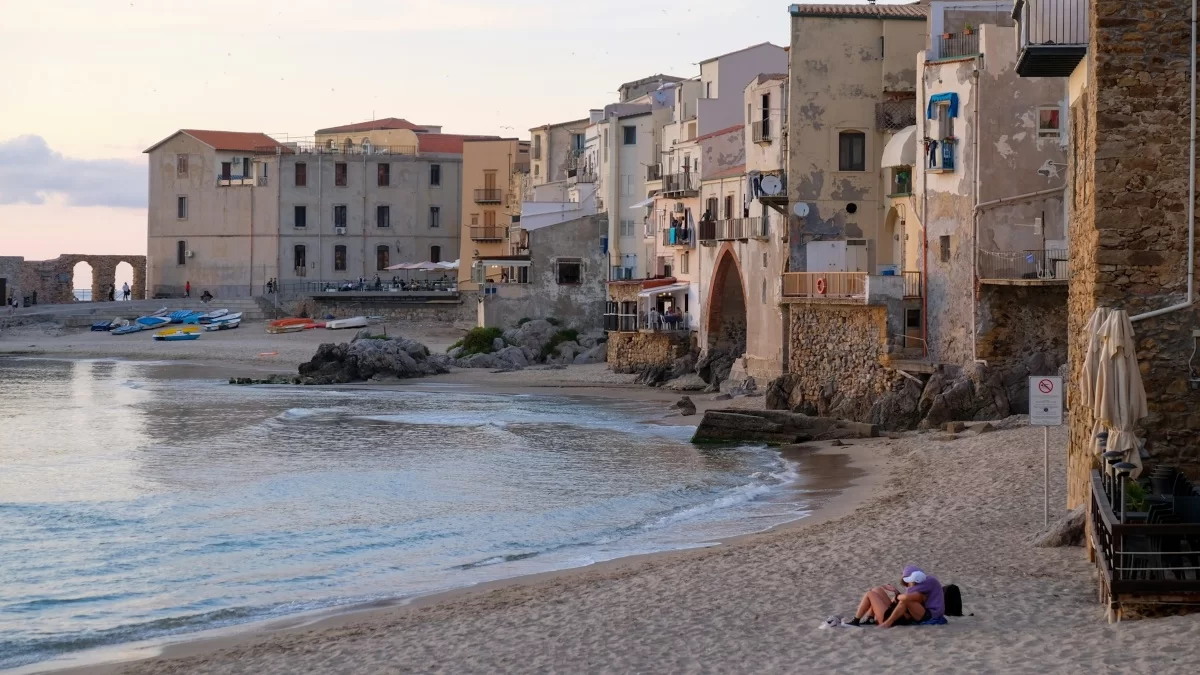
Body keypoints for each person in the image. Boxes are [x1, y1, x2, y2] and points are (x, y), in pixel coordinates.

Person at [848, 565, 944, 628]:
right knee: (877, 590)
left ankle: (856, 620)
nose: (908, 586)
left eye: (908, 582)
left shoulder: (919, 593)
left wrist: (898, 596)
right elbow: (902, 599)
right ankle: (870, 618)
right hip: (894, 613)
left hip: (890, 618)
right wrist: (897, 593)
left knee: (870, 594)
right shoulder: (921, 589)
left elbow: (905, 599)